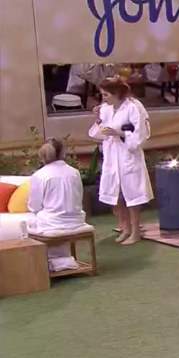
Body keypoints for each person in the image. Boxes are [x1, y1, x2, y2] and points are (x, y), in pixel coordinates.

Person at [89, 76, 153, 245]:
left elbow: (141, 134)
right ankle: (124, 227)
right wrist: (97, 120)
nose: (103, 98)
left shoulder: (134, 107)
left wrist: (121, 133)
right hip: (111, 154)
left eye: (106, 94)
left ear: (116, 93)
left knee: (132, 194)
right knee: (114, 194)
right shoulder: (105, 108)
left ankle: (135, 231)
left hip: (128, 154)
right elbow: (98, 133)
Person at [27, 138, 89, 272]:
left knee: (27, 222)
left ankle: (51, 262)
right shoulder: (75, 172)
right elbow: (79, 198)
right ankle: (63, 260)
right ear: (62, 152)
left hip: (52, 223)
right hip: (77, 220)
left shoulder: (39, 175)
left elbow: (34, 206)